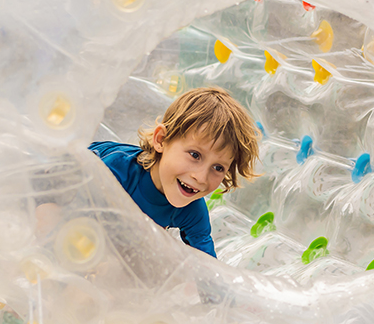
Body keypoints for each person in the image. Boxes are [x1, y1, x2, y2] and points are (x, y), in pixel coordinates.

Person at [88, 87, 259, 257]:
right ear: (161, 140)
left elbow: (208, 264)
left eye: (218, 168)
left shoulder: (192, 210)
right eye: (195, 155)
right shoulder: (115, 170)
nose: (200, 177)